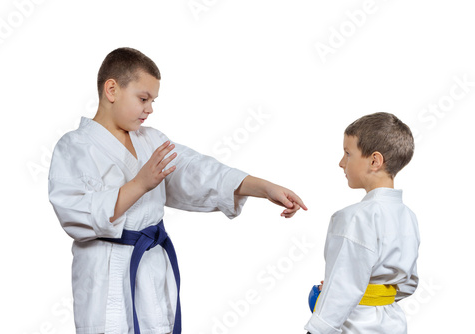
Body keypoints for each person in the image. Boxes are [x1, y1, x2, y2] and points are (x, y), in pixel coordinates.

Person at [48, 47, 307, 334]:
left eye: (153, 100)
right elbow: (74, 213)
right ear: (112, 90)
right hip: (106, 274)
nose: (150, 109)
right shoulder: (75, 147)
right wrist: (140, 183)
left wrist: (264, 187)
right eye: (143, 99)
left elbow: (199, 172)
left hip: (152, 265)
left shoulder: (151, 140)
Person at [304, 112, 420, 334]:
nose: (341, 162)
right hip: (392, 322)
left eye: (348, 153)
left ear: (374, 161)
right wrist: (374, 293)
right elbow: (409, 283)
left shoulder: (353, 217)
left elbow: (343, 288)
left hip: (355, 326)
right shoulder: (408, 217)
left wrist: (317, 328)